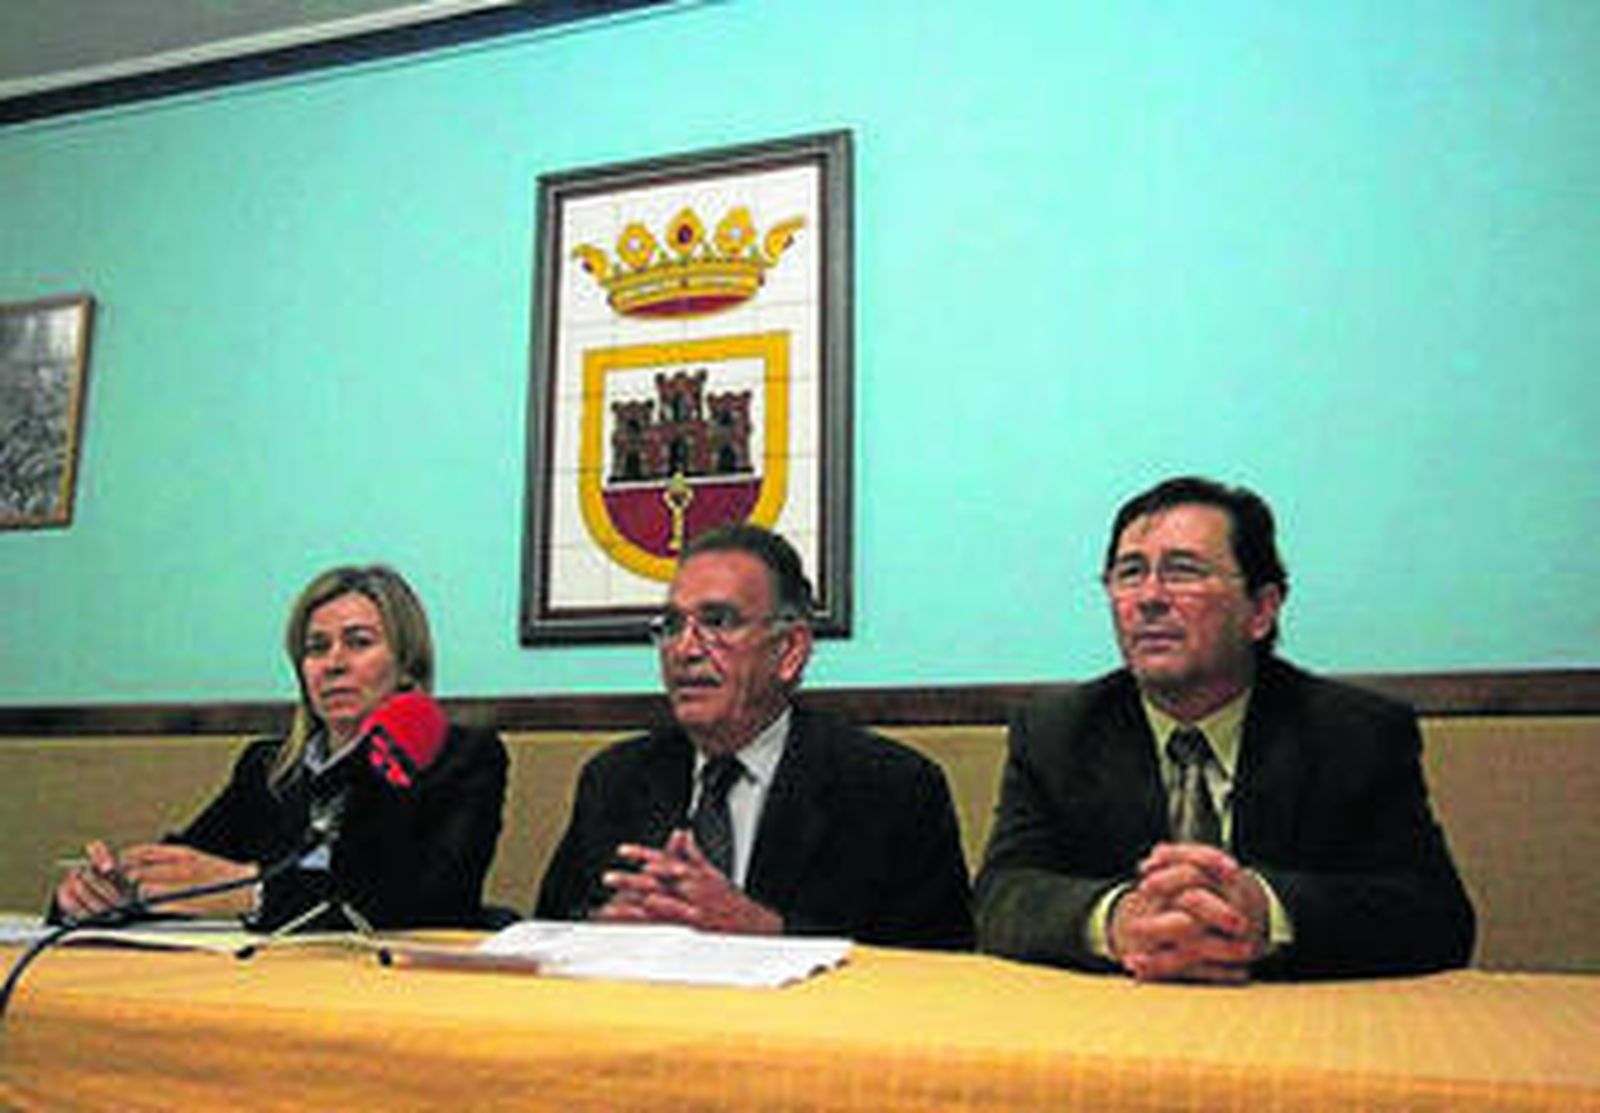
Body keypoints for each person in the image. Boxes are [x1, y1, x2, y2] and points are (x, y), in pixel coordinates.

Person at [975, 476, 1475, 981]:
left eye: (1182, 572)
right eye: (1129, 574)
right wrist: (1119, 919)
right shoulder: (1057, 731)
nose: (1149, 597)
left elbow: (1435, 916)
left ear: (1261, 609)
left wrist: (1262, 911)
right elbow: (1000, 899)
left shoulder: (1355, 733)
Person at [537, 523, 974, 949]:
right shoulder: (614, 779)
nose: (685, 650)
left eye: (718, 621)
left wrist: (769, 935)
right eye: (671, 626)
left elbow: (935, 970)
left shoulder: (890, 789)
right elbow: (549, 932)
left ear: (789, 651)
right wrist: (600, 930)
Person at [53, 564, 507, 931]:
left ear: (407, 664)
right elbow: (190, 866)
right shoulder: (268, 768)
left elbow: (433, 901)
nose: (333, 664)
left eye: (359, 643)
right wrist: (109, 892)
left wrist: (254, 892)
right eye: (316, 648)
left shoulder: (463, 758)